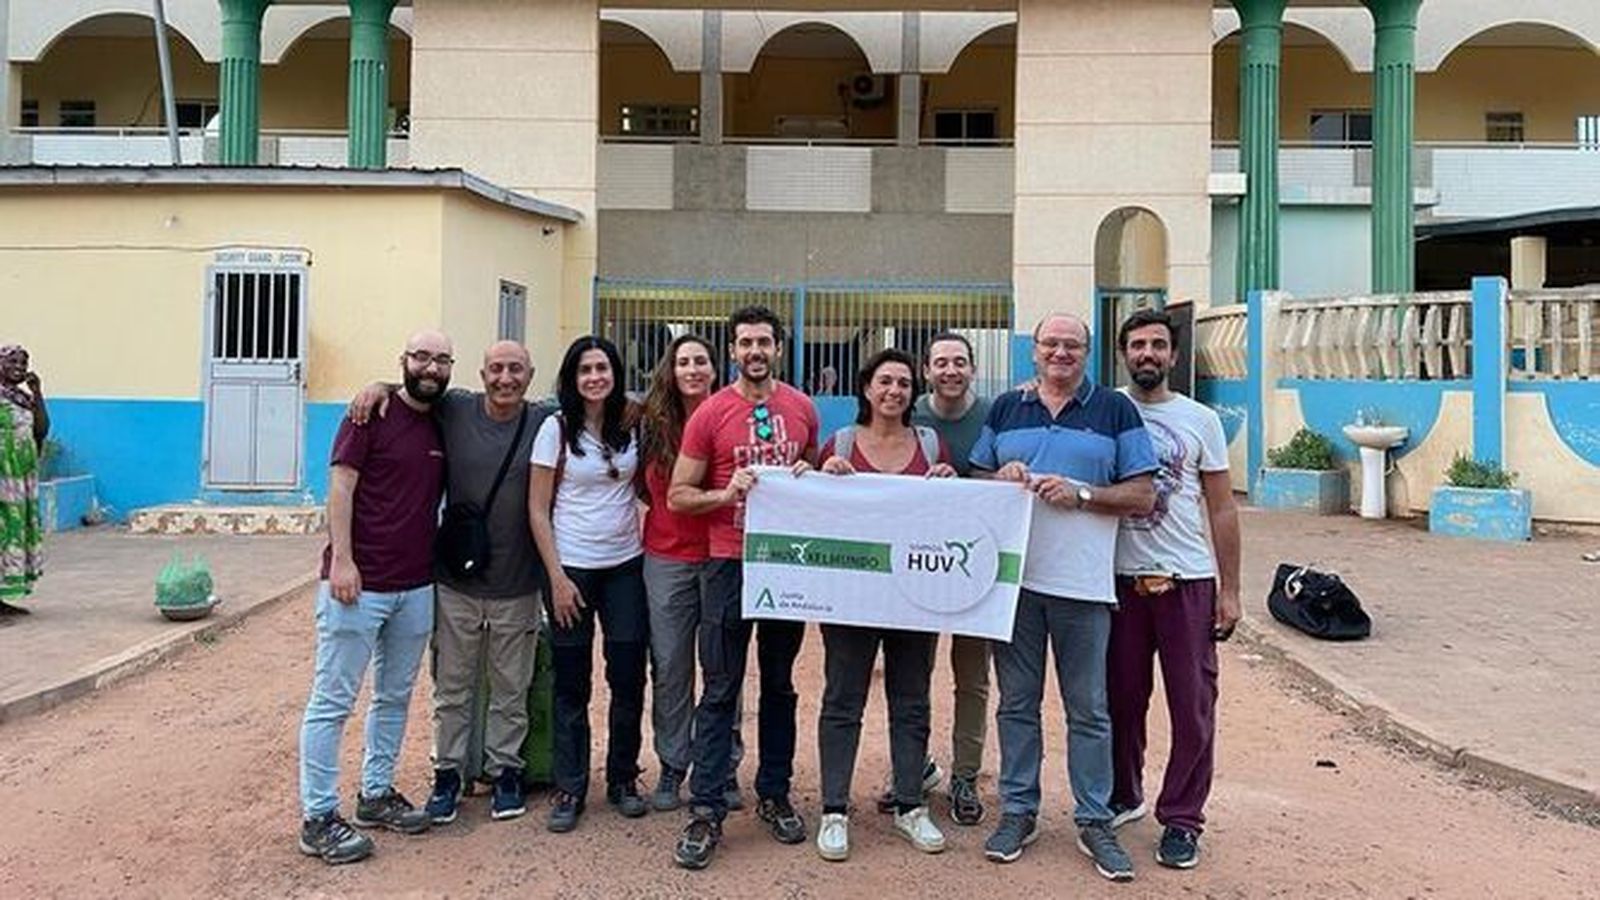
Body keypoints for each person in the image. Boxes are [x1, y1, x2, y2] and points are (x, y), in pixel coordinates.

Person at [970, 312, 1157, 881]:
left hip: (1082, 585)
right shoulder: (1006, 408)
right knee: (1016, 704)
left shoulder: (1115, 409)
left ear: (1088, 352)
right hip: (1016, 585)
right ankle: (1019, 812)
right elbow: (974, 483)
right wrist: (998, 478)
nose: (1059, 353)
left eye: (1071, 345)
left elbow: (1144, 495)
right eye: (1050, 344)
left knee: (1089, 711)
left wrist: (1081, 493)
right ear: (1035, 352)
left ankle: (1095, 820)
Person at [346, 341, 549, 825]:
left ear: (530, 374)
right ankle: (448, 773)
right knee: (452, 687)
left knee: (510, 687)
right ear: (480, 374)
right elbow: (417, 385)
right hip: (457, 582)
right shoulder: (455, 408)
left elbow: (596, 403)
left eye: (515, 369)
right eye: (496, 369)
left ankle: (504, 772)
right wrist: (380, 385)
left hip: (518, 583)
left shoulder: (545, 420)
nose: (505, 378)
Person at [668, 305, 819, 871]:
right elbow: (681, 494)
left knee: (779, 686)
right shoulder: (710, 413)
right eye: (745, 343)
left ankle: (774, 795)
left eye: (764, 342)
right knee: (721, 688)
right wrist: (726, 494)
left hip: (786, 566)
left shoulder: (801, 409)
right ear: (733, 351)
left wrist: (813, 473)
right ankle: (705, 809)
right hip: (727, 565)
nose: (755, 351)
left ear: (778, 348)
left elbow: (813, 474)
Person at [298, 330, 453, 865]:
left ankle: (376, 792)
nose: (430, 367)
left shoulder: (442, 419)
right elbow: (340, 485)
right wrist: (342, 559)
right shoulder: (367, 416)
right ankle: (318, 816)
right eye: (421, 357)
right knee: (333, 701)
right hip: (357, 585)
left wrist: (382, 383)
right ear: (403, 361)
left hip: (416, 586)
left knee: (394, 695)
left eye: (440, 359)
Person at [1107, 309, 1242, 870]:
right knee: (1119, 701)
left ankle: (1183, 819)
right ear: (1123, 353)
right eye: (1137, 344)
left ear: (1174, 355)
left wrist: (1229, 590)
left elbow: (1221, 506)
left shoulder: (1201, 420)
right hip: (1117, 581)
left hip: (1186, 581)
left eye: (1158, 345)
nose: (1148, 354)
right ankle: (1123, 793)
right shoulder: (1105, 410)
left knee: (1192, 708)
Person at [814, 348, 956, 863]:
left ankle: (910, 806)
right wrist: (824, 474)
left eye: (902, 383)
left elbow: (951, 519)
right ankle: (833, 811)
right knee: (842, 699)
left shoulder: (931, 444)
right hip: (852, 597)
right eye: (884, 382)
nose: (894, 390)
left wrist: (948, 482)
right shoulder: (842, 443)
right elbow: (810, 510)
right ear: (866, 388)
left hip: (915, 595)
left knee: (912, 698)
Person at [528, 335, 650, 833]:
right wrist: (555, 577)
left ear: (616, 373)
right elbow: (537, 508)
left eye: (603, 367)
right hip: (571, 569)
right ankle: (570, 785)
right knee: (571, 682)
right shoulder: (554, 430)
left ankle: (622, 778)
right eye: (585, 370)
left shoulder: (633, 423)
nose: (595, 377)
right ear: (572, 379)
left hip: (626, 566)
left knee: (627, 676)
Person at [638, 335, 747, 813]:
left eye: (701, 361)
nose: (693, 370)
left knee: (725, 667)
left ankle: (722, 766)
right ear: (671, 369)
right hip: (667, 557)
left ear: (714, 366)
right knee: (671, 665)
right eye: (683, 362)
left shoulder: (732, 414)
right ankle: (673, 763)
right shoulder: (648, 422)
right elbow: (643, 487)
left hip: (725, 555)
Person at [897, 331, 994, 826]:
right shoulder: (906, 414)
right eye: (941, 362)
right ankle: (913, 770)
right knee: (912, 674)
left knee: (972, 678)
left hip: (979, 568)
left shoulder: (994, 415)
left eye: (959, 361)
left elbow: (1003, 481)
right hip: (920, 567)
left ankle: (965, 776)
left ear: (972, 368)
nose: (951, 370)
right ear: (927, 370)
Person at [0, 345, 47, 617]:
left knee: (12, 534)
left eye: (24, 362)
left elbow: (42, 429)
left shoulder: (23, 398)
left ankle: (3, 598)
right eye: (12, 361)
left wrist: (37, 394)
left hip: (20, 478)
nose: (19, 367)